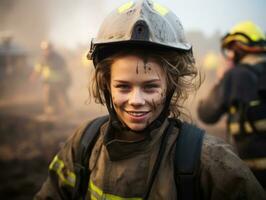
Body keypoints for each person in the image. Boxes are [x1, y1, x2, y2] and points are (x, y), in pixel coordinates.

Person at [35, 1, 265, 199]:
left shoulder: (208, 160)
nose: (136, 100)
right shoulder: (84, 144)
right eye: (123, 86)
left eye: (151, 86)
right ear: (106, 85)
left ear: (171, 86)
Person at [197, 20, 266, 189]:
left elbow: (206, 114)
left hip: (254, 176)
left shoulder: (235, 75)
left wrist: (222, 79)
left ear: (238, 49)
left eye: (231, 50)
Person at [31, 41, 71, 116]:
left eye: (48, 48)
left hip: (59, 82)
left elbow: (65, 70)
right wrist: (34, 77)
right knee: (47, 98)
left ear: (51, 48)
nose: (47, 51)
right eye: (45, 49)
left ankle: (68, 111)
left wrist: (66, 81)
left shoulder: (59, 58)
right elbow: (38, 69)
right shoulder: (42, 58)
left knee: (62, 97)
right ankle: (50, 113)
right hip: (47, 82)